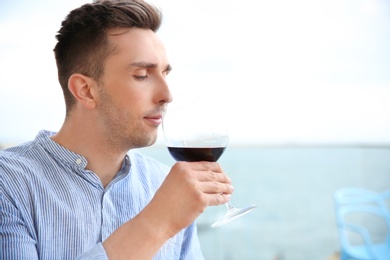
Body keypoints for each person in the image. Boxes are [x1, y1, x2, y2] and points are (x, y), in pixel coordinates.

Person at [0, 1, 234, 259]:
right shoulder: (8, 185)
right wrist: (157, 222)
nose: (167, 95)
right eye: (142, 75)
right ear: (86, 90)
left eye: (165, 74)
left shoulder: (165, 184)